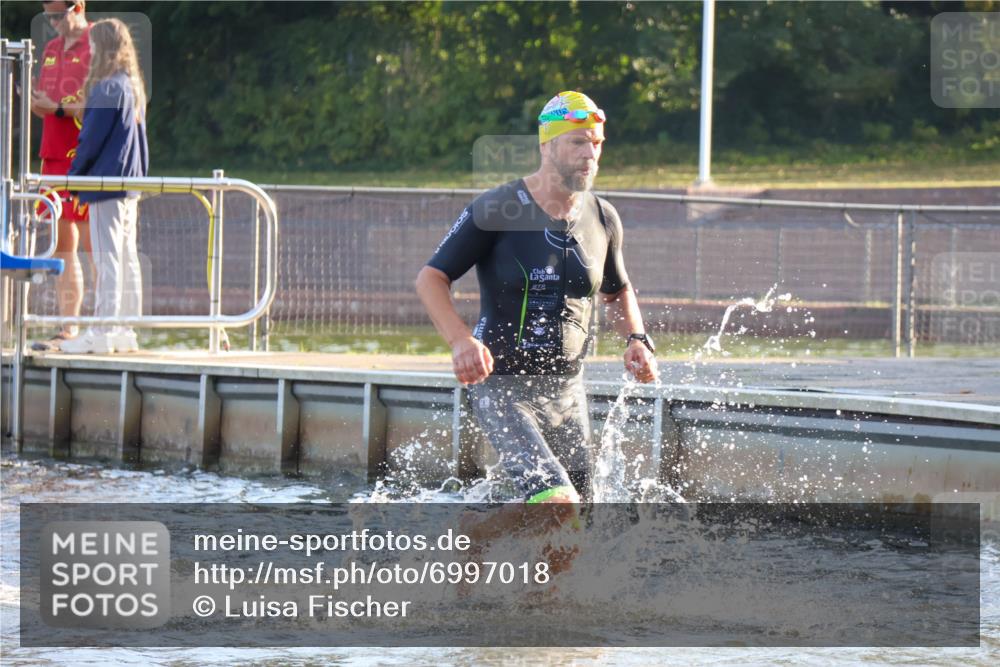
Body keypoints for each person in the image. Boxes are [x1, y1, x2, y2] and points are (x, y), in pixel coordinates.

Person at [415, 90, 658, 511]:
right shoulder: (498, 207)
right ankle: (477, 533)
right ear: (546, 145)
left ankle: (489, 538)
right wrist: (459, 341)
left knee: (579, 522)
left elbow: (617, 290)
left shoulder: (602, 216)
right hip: (505, 389)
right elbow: (431, 277)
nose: (590, 155)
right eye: (578, 142)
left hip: (568, 391)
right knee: (559, 509)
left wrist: (636, 338)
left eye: (597, 144)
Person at [59, 18, 148, 355]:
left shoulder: (107, 87)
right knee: (126, 256)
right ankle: (126, 328)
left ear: (103, 47)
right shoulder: (132, 86)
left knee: (107, 256)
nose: (90, 49)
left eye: (93, 44)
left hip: (106, 182)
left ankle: (102, 331)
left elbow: (90, 139)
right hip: (129, 183)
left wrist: (74, 177)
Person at [30, 0, 91, 351]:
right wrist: (42, 104)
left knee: (91, 242)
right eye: (47, 15)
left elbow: (90, 103)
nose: (52, 22)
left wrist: (56, 107)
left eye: (58, 14)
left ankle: (108, 326)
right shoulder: (52, 48)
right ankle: (69, 327)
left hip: (82, 156)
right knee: (60, 244)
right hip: (52, 154)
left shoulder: (99, 42)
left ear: (78, 6)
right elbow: (46, 105)